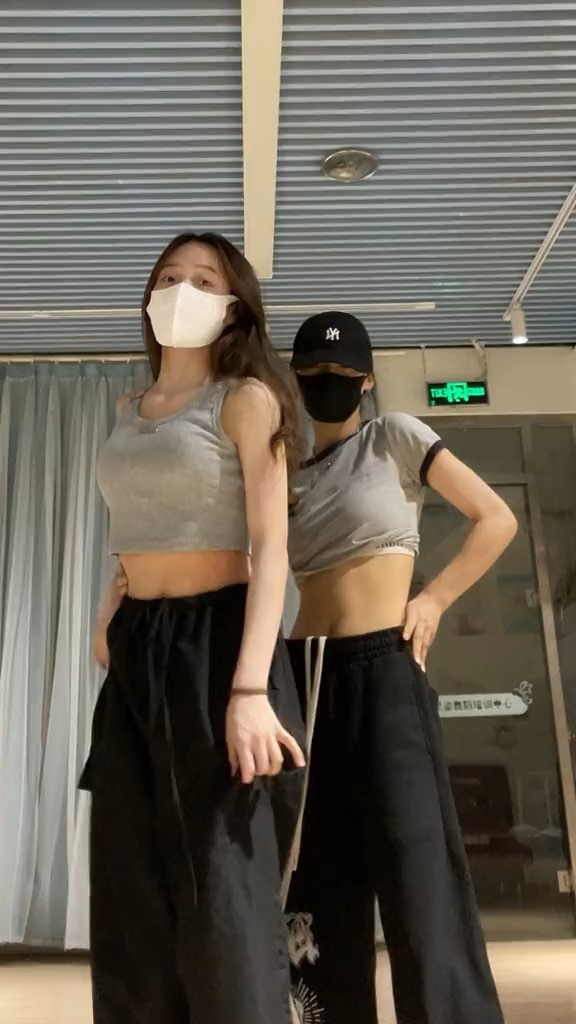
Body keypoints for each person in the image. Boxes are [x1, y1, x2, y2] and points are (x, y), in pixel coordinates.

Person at [80, 231, 306, 1024]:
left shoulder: (245, 399)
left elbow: (271, 548)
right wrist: (109, 617)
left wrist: (249, 689)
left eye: (204, 280)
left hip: (219, 640)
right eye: (169, 276)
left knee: (221, 894)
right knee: (129, 888)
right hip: (139, 644)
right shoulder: (127, 410)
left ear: (235, 305)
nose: (182, 289)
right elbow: (132, 533)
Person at [283, 311, 517, 1024]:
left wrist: (436, 598)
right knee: (318, 876)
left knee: (420, 875)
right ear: (296, 379)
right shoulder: (288, 472)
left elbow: (495, 518)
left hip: (385, 665)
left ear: (367, 380)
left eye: (341, 373)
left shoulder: (396, 435)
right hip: (306, 676)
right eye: (313, 372)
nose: (327, 382)